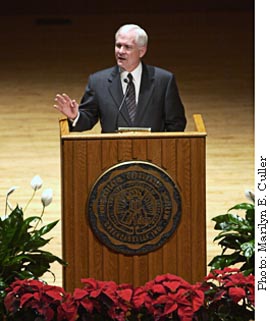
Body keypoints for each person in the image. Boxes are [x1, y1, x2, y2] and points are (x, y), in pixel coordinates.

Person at [54, 24, 186, 133]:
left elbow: (176, 123)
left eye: (127, 47)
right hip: (112, 159)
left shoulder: (163, 80)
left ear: (142, 51)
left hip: (153, 160)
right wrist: (76, 116)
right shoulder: (98, 82)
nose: (120, 51)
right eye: (118, 45)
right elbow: (88, 119)